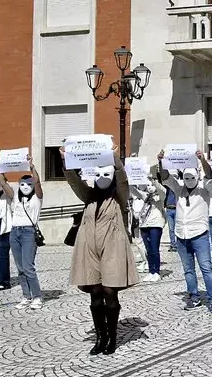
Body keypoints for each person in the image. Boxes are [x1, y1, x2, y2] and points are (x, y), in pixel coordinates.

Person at [63, 144, 139, 355]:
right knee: (95, 293)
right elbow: (74, 182)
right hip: (89, 248)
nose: (102, 177)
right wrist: (66, 160)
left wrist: (114, 158)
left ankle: (112, 337)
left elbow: (123, 179)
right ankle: (100, 336)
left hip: (112, 248)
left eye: (107, 173)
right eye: (98, 174)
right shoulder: (89, 196)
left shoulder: (119, 197)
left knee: (109, 292)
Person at [158, 150, 212, 313]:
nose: (190, 181)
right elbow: (165, 178)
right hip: (181, 234)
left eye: (193, 177)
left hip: (199, 234)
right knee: (188, 269)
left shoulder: (204, 188)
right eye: (187, 178)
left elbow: (210, 175)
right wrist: (162, 161)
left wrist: (202, 160)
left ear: (197, 176)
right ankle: (194, 297)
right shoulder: (178, 188)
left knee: (206, 268)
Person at [0, 155, 44, 310]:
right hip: (14, 233)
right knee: (20, 268)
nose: (24, 186)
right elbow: (3, 183)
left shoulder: (37, 198)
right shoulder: (16, 197)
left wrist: (31, 167)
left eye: (27, 184)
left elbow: (37, 182)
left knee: (28, 266)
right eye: (22, 184)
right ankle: (26, 296)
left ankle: (37, 296)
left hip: (28, 233)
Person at [130, 175, 166, 282]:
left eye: (151, 186)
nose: (150, 187)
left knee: (154, 249)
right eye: (148, 185)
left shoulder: (160, 197)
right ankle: (151, 271)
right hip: (144, 225)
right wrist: (131, 178)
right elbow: (133, 190)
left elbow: (162, 190)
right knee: (148, 250)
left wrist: (153, 181)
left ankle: (157, 272)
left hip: (155, 225)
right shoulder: (145, 196)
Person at [164, 184, 179, 252]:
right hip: (169, 209)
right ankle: (173, 244)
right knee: (171, 228)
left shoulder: (178, 186)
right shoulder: (167, 187)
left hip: (177, 209)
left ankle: (179, 244)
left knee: (177, 228)